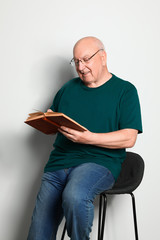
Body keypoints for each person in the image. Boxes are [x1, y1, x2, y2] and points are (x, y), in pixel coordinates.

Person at [27, 36, 142, 240]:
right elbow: (54, 124)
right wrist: (48, 123)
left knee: (75, 195)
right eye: (77, 61)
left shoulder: (125, 91)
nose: (81, 67)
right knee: (38, 233)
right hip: (58, 164)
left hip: (98, 163)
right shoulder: (68, 89)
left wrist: (88, 138)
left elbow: (129, 138)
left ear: (103, 57)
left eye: (86, 59)